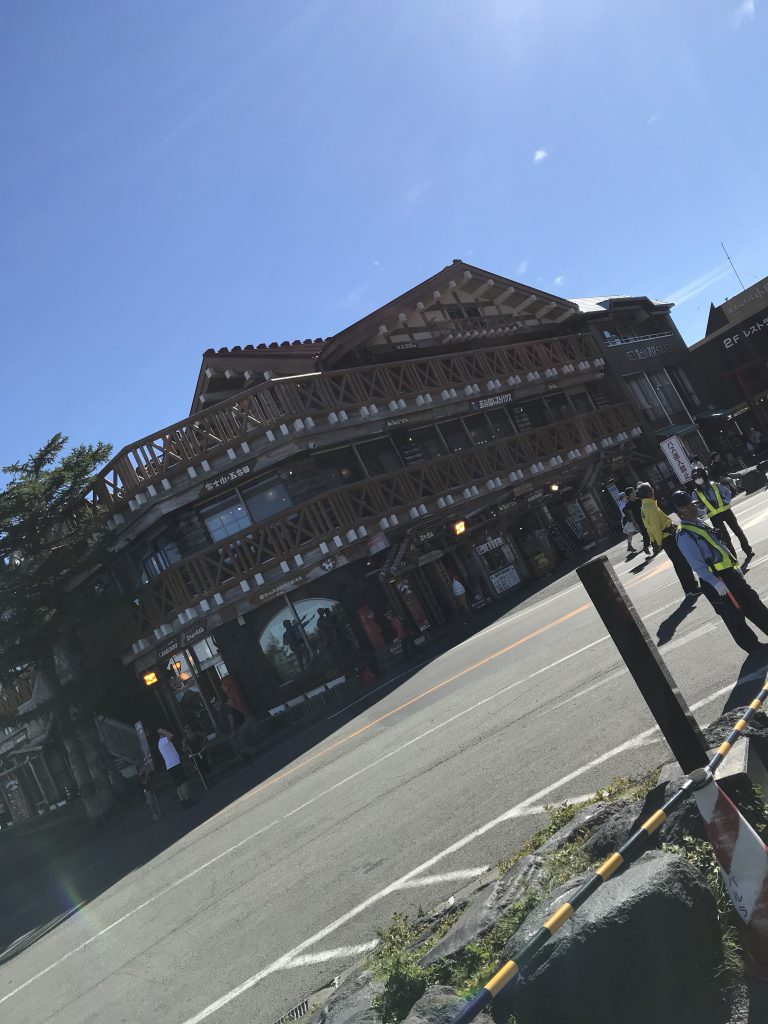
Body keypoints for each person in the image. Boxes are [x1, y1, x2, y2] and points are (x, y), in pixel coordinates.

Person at [671, 490, 768, 653]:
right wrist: (715, 582)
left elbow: (719, 546)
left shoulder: (699, 523)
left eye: (693, 505)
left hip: (729, 573)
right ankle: (753, 648)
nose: (694, 508)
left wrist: (735, 567)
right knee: (734, 616)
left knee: (753, 602)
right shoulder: (684, 535)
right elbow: (697, 564)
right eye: (688, 507)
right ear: (680, 512)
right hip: (717, 580)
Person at [636, 482, 698, 597]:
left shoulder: (645, 507)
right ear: (648, 493)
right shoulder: (650, 507)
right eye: (651, 489)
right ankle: (692, 587)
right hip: (667, 537)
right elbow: (655, 527)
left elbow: (649, 528)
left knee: (678, 563)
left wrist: (654, 541)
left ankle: (688, 588)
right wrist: (658, 543)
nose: (653, 490)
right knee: (682, 561)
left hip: (664, 538)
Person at [691, 467, 754, 560]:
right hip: (714, 517)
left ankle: (748, 551)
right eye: (695, 477)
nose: (698, 479)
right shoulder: (695, 493)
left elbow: (727, 492)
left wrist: (726, 500)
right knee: (725, 539)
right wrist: (703, 511)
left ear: (705, 475)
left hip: (726, 512)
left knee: (738, 532)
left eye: (699, 476)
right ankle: (733, 559)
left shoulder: (714, 485)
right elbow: (697, 508)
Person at [157, 728, 194, 808]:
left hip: (171, 765)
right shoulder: (163, 741)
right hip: (174, 764)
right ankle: (187, 800)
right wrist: (163, 730)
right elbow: (171, 735)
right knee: (183, 782)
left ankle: (183, 801)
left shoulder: (161, 742)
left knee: (178, 784)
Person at [623, 486, 650, 555]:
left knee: (649, 533)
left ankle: (649, 546)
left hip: (645, 519)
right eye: (633, 491)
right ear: (630, 494)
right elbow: (631, 516)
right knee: (645, 534)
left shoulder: (639, 500)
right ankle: (646, 546)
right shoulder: (628, 504)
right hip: (639, 522)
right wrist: (636, 525)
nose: (635, 492)